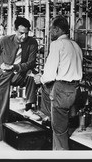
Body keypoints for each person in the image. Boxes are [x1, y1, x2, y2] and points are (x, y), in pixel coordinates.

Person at [0, 16, 40, 141]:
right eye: (21, 33)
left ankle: (28, 108)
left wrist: (14, 66)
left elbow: (31, 63)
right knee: (2, 110)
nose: (24, 36)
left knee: (33, 75)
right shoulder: (5, 40)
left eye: (26, 33)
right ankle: (3, 139)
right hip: (1, 75)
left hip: (18, 74)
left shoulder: (32, 42)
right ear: (15, 30)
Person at [34, 16, 83, 150]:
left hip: (62, 90)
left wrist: (40, 79)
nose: (50, 33)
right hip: (75, 90)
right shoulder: (76, 46)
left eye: (51, 30)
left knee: (59, 131)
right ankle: (50, 116)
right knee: (62, 124)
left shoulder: (57, 44)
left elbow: (49, 75)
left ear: (56, 29)